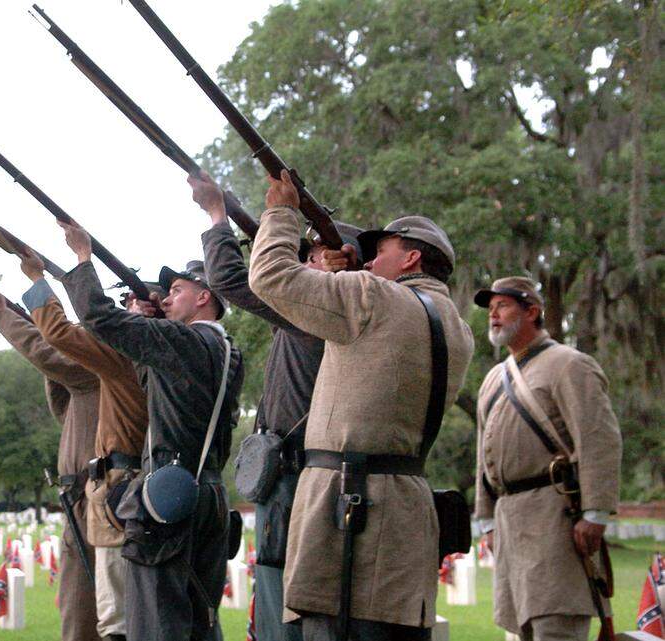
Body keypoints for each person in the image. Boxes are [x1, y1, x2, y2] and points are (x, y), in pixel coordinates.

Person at [247, 171, 474, 640]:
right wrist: (350, 275)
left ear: (411, 257)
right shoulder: (456, 326)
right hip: (402, 508)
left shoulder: (372, 299)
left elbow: (268, 276)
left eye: (381, 251)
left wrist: (281, 213)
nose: (370, 259)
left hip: (345, 515)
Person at [187, 170, 362, 641]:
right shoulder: (352, 313)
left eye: (310, 257)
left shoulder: (317, 309)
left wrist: (216, 214)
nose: (300, 267)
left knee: (276, 594)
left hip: (292, 478)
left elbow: (225, 277)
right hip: (310, 473)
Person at [55, 219, 245, 641]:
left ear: (203, 297)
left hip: (167, 502)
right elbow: (156, 383)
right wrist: (154, 326)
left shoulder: (183, 342)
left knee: (156, 623)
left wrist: (83, 258)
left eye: (177, 290)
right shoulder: (228, 350)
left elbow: (98, 317)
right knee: (200, 619)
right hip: (206, 495)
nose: (166, 298)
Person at [473, 276, 622, 641]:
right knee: (520, 630)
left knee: (557, 626)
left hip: (555, 517)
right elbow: (484, 456)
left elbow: (599, 440)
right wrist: (487, 521)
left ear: (532, 311)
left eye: (503, 306)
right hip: (510, 521)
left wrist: (595, 514)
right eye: (490, 309)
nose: (493, 315)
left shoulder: (570, 364)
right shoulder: (494, 378)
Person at [15, 250, 152, 641]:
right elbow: (63, 397)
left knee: (112, 621)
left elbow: (53, 346)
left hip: (115, 493)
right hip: (118, 491)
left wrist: (37, 284)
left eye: (133, 304)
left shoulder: (126, 358)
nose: (127, 310)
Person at [0, 284, 102, 641]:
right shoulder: (90, 376)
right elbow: (63, 399)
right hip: (82, 498)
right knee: (79, 608)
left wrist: (5, 313)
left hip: (96, 500)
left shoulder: (114, 359)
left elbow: (53, 357)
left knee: (84, 613)